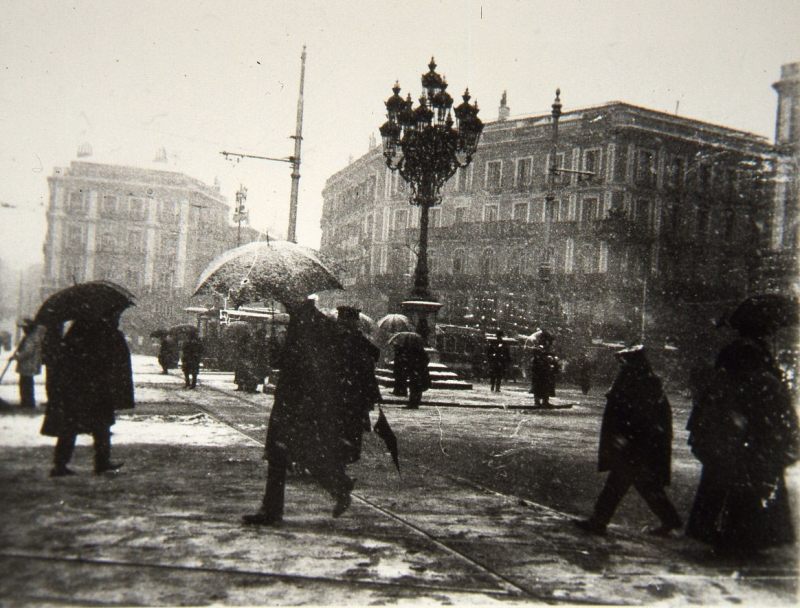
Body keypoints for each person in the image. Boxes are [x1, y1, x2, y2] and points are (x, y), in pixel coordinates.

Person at [242, 300, 382, 525]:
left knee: (288, 453)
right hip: (294, 399)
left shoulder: (308, 327)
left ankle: (331, 488)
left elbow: (303, 365)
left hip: (295, 402)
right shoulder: (307, 325)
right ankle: (334, 487)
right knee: (290, 453)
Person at [685, 326, 799, 556]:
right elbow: (781, 417)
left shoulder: (727, 378)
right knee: (750, 492)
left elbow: (706, 409)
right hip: (752, 445)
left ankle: (723, 533)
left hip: (732, 445)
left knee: (727, 489)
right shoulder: (764, 379)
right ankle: (746, 537)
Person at [573, 345, 682, 537]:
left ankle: (599, 521)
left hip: (635, 444)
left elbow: (637, 415)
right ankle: (670, 520)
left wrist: (625, 438)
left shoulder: (639, 381)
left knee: (619, 483)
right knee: (645, 485)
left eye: (625, 360)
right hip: (639, 443)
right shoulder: (643, 380)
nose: (622, 364)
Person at [40, 308, 134, 477]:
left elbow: (63, 359)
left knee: (70, 427)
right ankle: (101, 462)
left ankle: (60, 464)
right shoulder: (109, 334)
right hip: (99, 390)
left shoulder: (76, 332)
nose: (118, 318)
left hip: (76, 389)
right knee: (101, 427)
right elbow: (118, 365)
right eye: (116, 315)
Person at [13, 319, 46, 408]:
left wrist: (17, 357)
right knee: (27, 384)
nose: (23, 330)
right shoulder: (32, 336)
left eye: (24, 328)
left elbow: (28, 351)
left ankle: (27, 403)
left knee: (25, 384)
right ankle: (27, 402)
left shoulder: (31, 338)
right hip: (29, 364)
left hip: (28, 364)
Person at [393, 334, 430, 409]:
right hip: (418, 371)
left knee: (415, 387)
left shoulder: (417, 352)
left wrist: (415, 367)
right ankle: (414, 402)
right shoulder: (419, 351)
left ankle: (413, 403)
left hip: (417, 372)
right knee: (415, 387)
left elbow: (422, 361)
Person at [529, 332, 560, 407]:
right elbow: (536, 359)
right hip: (540, 371)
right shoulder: (538, 349)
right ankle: (538, 401)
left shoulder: (548, 349)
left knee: (546, 386)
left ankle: (544, 401)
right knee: (539, 386)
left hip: (546, 371)